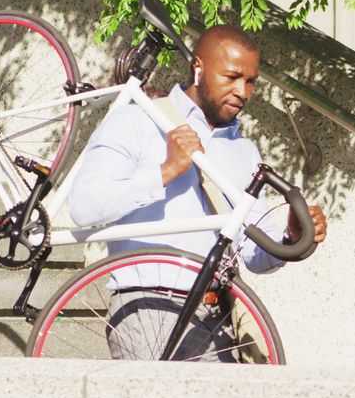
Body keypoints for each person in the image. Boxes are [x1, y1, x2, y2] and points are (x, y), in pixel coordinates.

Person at [69, 24, 328, 361]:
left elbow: (253, 255)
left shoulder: (244, 150)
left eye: (251, 82)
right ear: (198, 67)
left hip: (216, 315)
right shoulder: (138, 120)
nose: (243, 92)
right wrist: (165, 171)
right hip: (148, 308)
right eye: (232, 77)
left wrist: (293, 237)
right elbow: (84, 207)